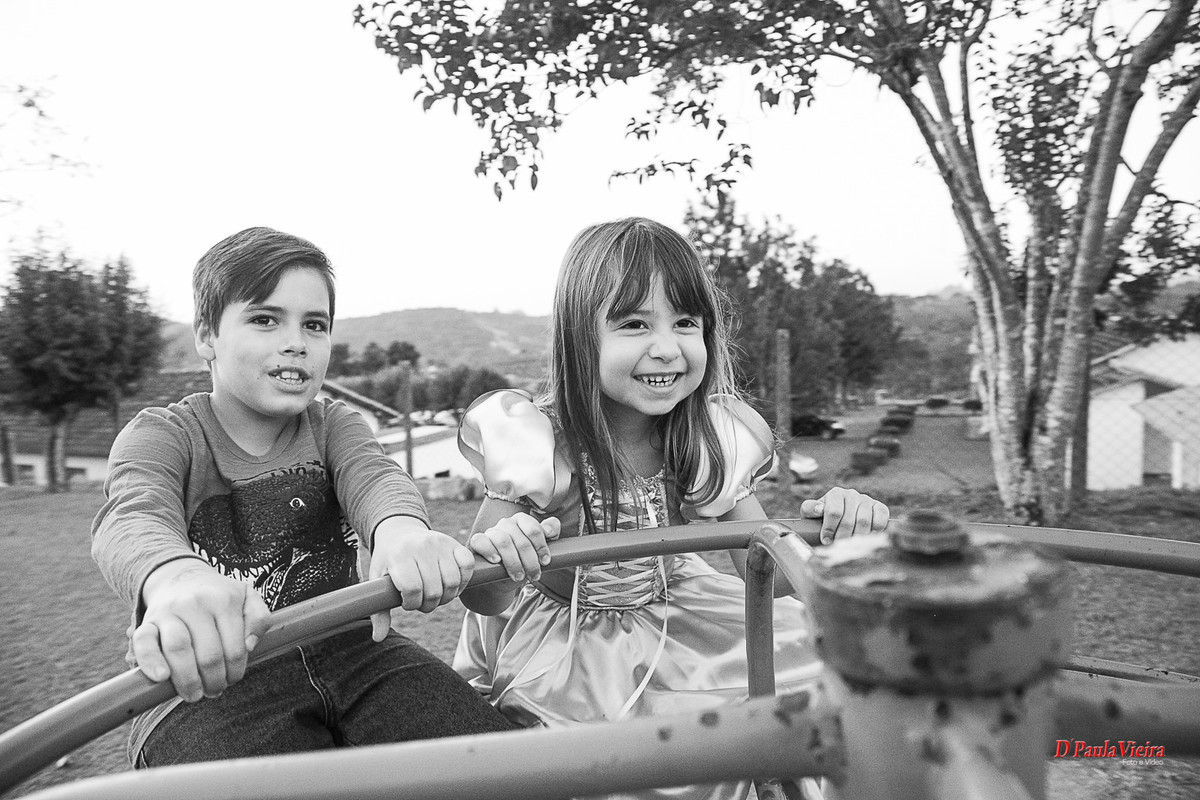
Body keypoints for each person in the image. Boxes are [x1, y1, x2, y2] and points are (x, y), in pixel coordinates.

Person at [453, 217, 890, 800]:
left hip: (685, 616)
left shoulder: (706, 435)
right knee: (609, 770)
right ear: (580, 338)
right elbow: (481, 596)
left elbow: (764, 568)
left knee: (821, 690)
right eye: (634, 324)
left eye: (686, 323)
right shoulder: (538, 441)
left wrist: (837, 539)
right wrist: (506, 552)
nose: (667, 347)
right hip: (572, 646)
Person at [91, 227, 514, 769]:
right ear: (206, 336)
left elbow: (374, 478)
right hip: (212, 681)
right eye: (265, 319)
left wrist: (401, 532)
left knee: (490, 764)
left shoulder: (334, 425)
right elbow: (132, 515)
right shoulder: (163, 435)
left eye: (315, 324)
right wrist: (177, 579)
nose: (296, 340)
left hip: (356, 653)